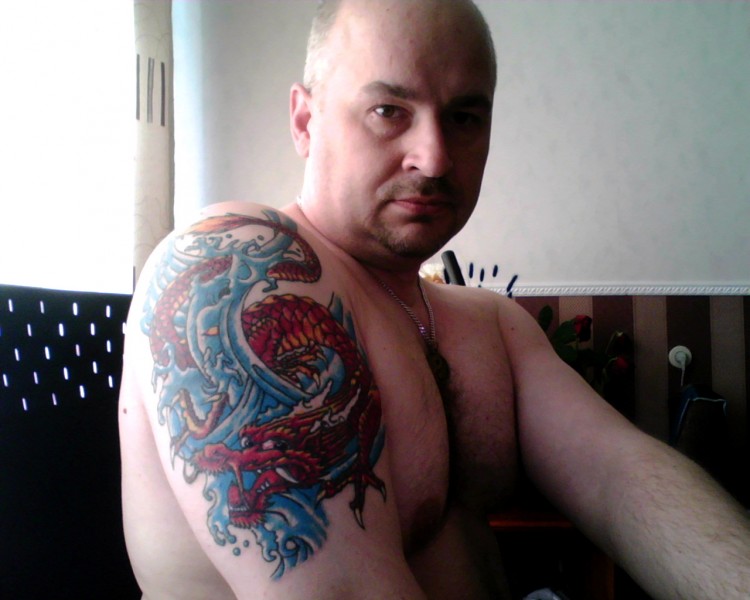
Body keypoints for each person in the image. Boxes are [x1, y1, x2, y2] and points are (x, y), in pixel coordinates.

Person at [119, 1, 750, 598]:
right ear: (306, 121)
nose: (436, 157)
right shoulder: (231, 266)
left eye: (465, 117)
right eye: (389, 110)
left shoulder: (487, 322)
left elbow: (620, 474)